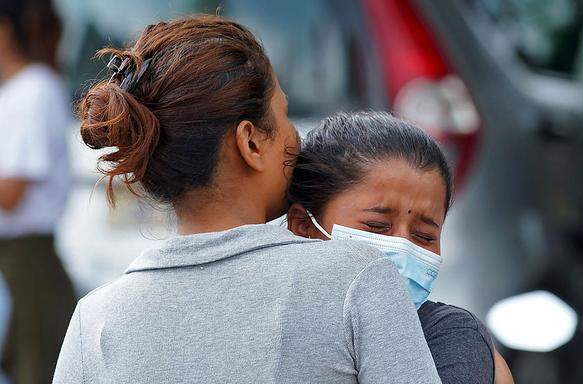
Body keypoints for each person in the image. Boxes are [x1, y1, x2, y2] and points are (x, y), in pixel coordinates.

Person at [53, 15, 442, 384]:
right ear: (251, 142)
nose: (296, 139)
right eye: (284, 115)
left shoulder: (95, 319)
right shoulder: (357, 277)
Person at [287, 111, 514, 384]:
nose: (402, 246)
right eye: (377, 226)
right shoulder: (258, 321)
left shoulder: (449, 339)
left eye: (424, 235)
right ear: (303, 225)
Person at [0, 1, 76, 383]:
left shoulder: (34, 90)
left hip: (27, 259)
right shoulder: (14, 93)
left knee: (36, 371)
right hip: (15, 259)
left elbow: (10, 193)